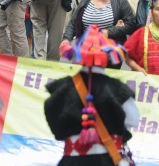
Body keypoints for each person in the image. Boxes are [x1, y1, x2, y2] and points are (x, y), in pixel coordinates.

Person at [47, 25, 138, 165]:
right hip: (107, 160)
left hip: (70, 161)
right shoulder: (118, 89)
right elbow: (132, 120)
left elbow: (54, 123)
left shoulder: (60, 89)